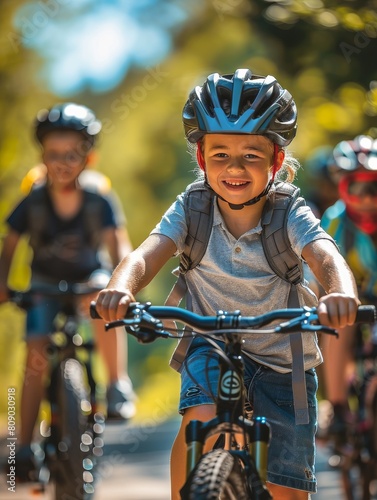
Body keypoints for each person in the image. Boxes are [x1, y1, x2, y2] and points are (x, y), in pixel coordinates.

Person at [94, 69, 359, 500]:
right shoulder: (192, 208)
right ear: (201, 159)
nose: (234, 168)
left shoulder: (288, 210)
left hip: (282, 359)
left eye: (251, 156)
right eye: (220, 155)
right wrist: (121, 288)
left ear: (275, 160)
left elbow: (326, 256)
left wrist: (341, 294)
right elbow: (146, 253)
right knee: (198, 417)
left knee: (286, 489)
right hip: (211, 343)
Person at [0, 103, 136, 479]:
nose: (62, 163)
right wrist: (3, 283)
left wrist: (122, 285)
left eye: (71, 155)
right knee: (35, 353)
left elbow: (119, 248)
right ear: (42, 157)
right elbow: (9, 246)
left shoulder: (99, 199)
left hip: (89, 278)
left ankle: (116, 384)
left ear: (88, 157)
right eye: (53, 155)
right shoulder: (34, 199)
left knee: (103, 306)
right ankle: (23, 447)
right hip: (43, 283)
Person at [320, 134, 377, 442]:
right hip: (353, 296)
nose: (366, 198)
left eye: (374, 188)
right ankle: (337, 406)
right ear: (343, 188)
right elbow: (321, 268)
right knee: (342, 324)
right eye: (356, 188)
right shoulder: (335, 221)